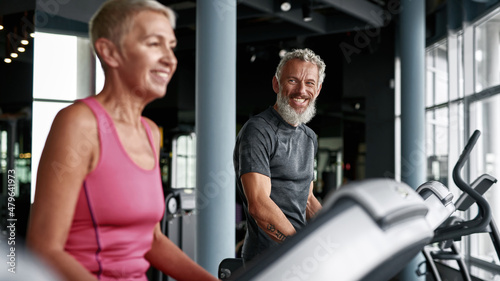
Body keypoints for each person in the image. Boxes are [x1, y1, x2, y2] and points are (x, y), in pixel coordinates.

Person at [26, 1, 218, 280]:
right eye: (154, 44)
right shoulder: (80, 123)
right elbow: (44, 248)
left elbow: (150, 240)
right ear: (110, 52)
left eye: (171, 46)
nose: (170, 58)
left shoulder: (150, 132)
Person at [233, 48, 325, 263]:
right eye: (293, 80)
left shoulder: (309, 137)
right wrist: (297, 248)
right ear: (276, 84)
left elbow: (308, 199)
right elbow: (258, 203)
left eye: (310, 83)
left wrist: (334, 233)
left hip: (297, 254)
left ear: (318, 89)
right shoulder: (258, 130)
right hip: (267, 258)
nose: (301, 90)